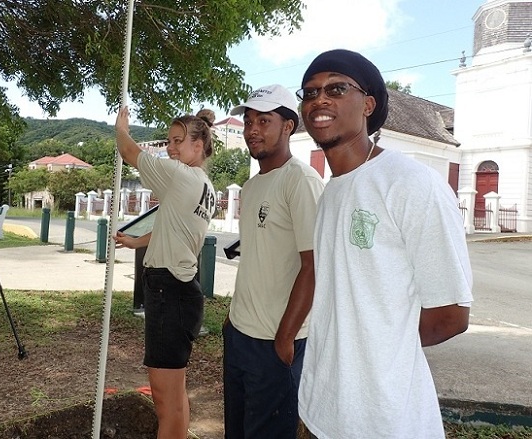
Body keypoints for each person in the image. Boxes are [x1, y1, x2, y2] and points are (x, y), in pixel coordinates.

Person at [296, 49, 474, 439]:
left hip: (385, 421)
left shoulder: (412, 183)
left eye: (337, 88)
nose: (319, 100)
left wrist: (381, 349)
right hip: (319, 410)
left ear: (368, 104)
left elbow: (451, 314)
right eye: (309, 93)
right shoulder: (331, 193)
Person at [223, 84, 325, 438]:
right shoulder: (251, 188)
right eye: (249, 120)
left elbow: (315, 266)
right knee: (237, 430)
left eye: (264, 120)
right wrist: (232, 319)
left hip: (276, 343)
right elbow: (256, 259)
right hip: (240, 335)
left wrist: (285, 338)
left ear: (288, 126)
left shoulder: (301, 181)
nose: (252, 129)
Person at [114, 106, 217, 439]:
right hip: (182, 292)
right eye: (169, 140)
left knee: (165, 402)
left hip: (168, 291)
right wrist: (134, 242)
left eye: (178, 141)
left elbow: (129, 151)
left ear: (199, 146)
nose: (171, 147)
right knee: (176, 393)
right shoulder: (206, 188)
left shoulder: (180, 176)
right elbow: (172, 229)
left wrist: (120, 127)